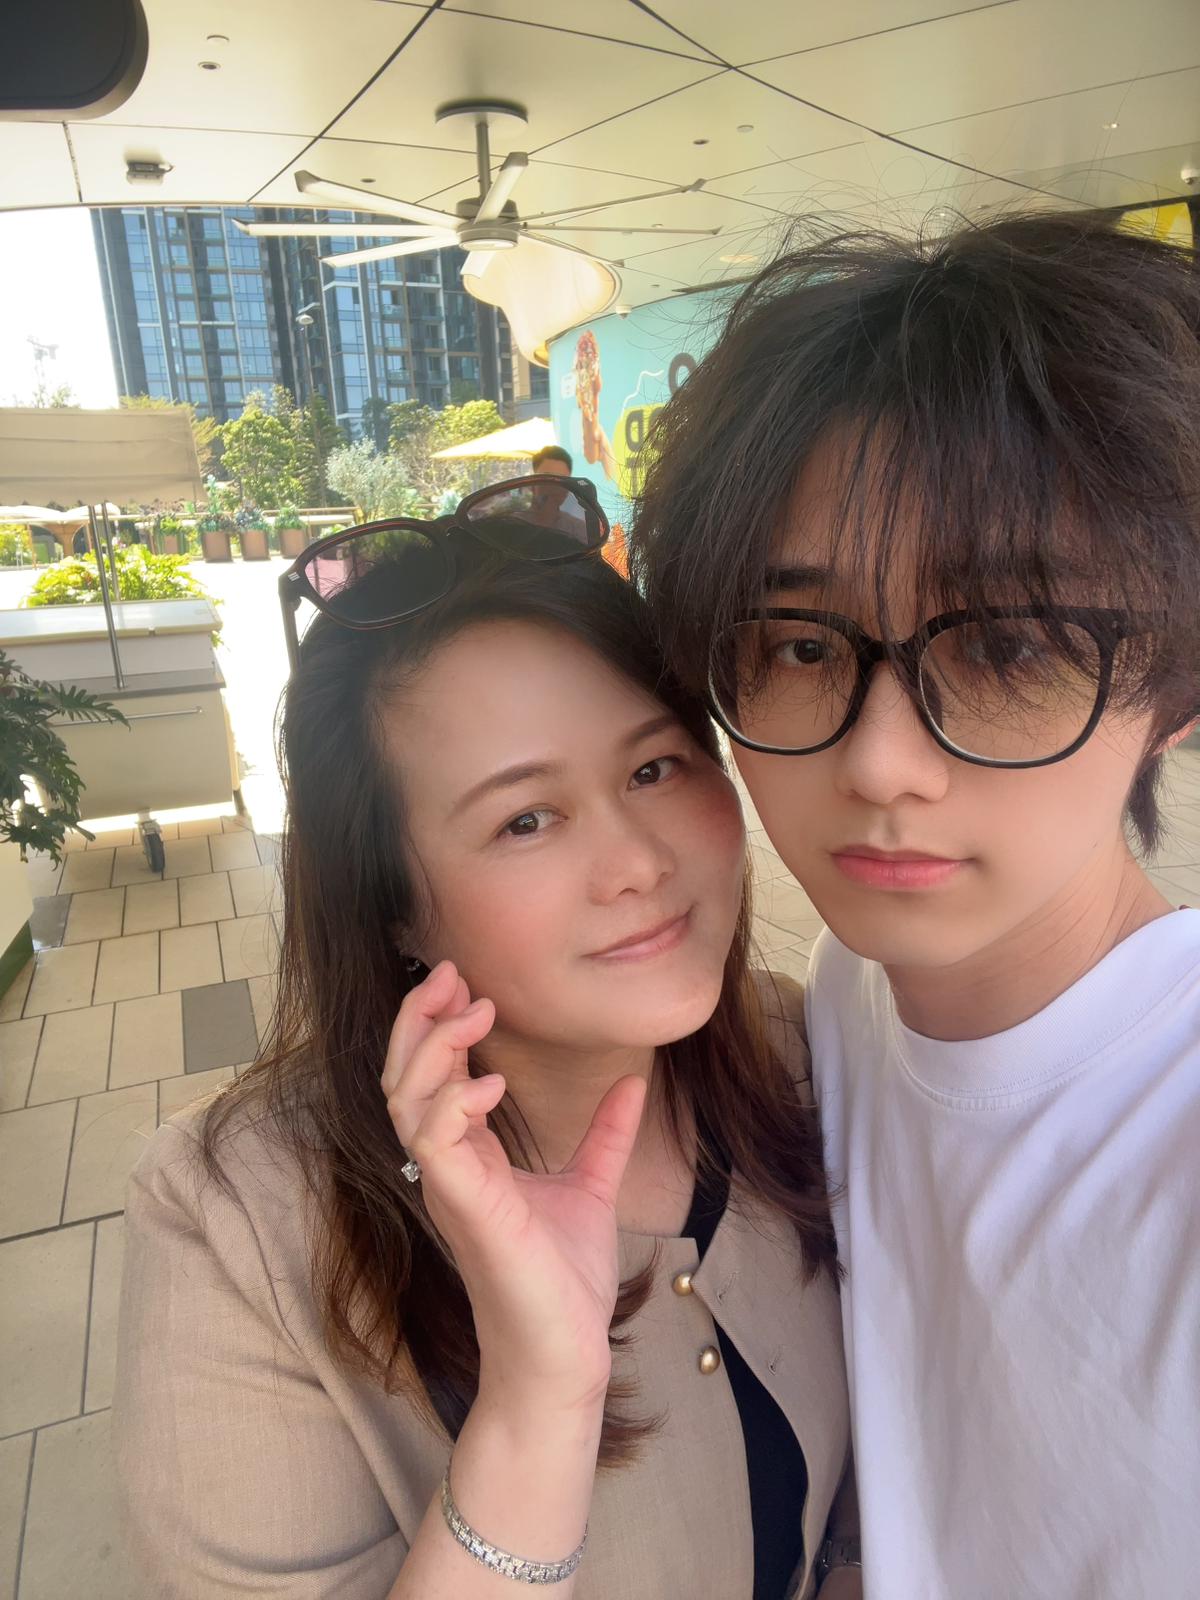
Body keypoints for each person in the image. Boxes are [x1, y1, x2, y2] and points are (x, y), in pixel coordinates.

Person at [114, 488, 858, 1599]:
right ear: (393, 907)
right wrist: (537, 1403)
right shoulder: (238, 1226)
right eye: (526, 820)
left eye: (654, 768)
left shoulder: (800, 1051)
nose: (640, 863)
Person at [630, 210, 1200, 1598]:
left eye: (1009, 643)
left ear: (1180, 691)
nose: (881, 763)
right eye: (797, 644)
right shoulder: (845, 1002)